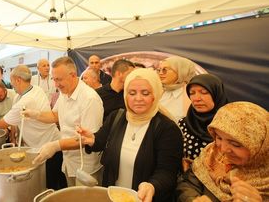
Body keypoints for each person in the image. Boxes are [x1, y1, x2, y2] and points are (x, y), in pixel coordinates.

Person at [76, 68, 183, 202]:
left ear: (155, 95)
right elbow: (101, 141)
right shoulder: (117, 117)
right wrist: (93, 140)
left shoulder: (167, 129)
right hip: (114, 197)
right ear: (125, 95)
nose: (138, 98)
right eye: (132, 93)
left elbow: (167, 172)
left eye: (145, 93)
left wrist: (152, 186)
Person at [23, 56, 103, 186]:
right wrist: (35, 115)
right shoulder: (64, 92)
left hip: (85, 166)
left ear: (73, 75)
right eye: (54, 80)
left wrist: (55, 146)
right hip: (68, 161)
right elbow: (55, 115)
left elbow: (87, 139)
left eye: (59, 79)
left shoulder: (89, 99)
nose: (56, 85)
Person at [176, 101, 268, 202]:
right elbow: (188, 183)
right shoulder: (212, 153)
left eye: (235, 144)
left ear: (261, 147)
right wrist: (193, 199)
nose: (223, 150)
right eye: (218, 138)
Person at [178, 74, 229, 171]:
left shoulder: (231, 124)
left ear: (217, 93)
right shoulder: (184, 123)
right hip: (186, 181)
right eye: (192, 93)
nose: (197, 98)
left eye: (204, 92)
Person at [158, 56, 196, 122]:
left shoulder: (192, 94)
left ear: (181, 71)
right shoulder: (157, 91)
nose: (160, 73)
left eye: (165, 70)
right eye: (159, 70)